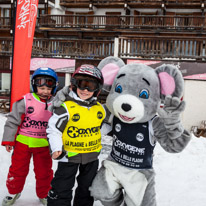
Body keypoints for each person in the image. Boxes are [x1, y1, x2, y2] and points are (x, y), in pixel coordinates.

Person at [47, 64, 106, 206]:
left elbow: (103, 128)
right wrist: (56, 148)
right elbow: (54, 129)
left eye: (90, 86)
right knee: (62, 187)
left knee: (87, 189)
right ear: (74, 85)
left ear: (97, 89)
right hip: (69, 157)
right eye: (82, 85)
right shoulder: (66, 107)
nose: (85, 90)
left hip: (91, 156)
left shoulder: (99, 109)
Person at [1, 67, 58, 206]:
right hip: (23, 143)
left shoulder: (56, 104)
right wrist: (9, 140)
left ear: (54, 88)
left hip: (43, 145)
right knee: (17, 169)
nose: (45, 92)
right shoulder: (26, 101)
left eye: (48, 89)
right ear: (34, 86)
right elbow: (13, 121)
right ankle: (13, 192)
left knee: (44, 172)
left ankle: (44, 194)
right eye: (41, 88)